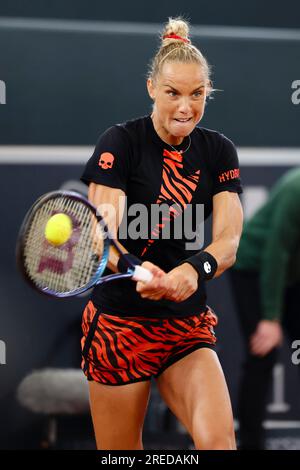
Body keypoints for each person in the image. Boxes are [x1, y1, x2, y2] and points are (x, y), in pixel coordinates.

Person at [80, 17, 243, 450]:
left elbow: (228, 240)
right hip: (120, 326)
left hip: (185, 326)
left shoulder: (218, 150)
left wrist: (196, 268)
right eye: (173, 93)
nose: (185, 107)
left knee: (219, 442)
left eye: (197, 93)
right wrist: (134, 269)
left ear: (208, 91)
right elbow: (101, 235)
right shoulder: (120, 142)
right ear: (152, 87)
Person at [230, 168, 300, 450]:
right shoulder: (297, 190)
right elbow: (276, 251)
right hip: (255, 267)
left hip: (293, 273)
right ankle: (251, 444)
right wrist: (270, 317)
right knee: (263, 354)